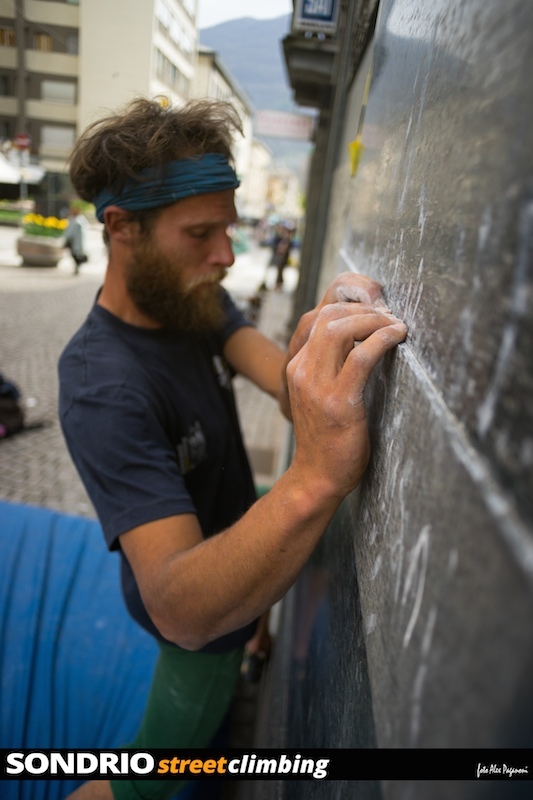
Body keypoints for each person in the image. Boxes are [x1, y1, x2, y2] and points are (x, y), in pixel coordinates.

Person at [58, 97, 407, 800]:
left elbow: (286, 383)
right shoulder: (102, 386)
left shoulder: (192, 297)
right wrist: (312, 478)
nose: (225, 255)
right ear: (121, 229)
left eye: (228, 228)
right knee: (144, 785)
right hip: (202, 635)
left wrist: (328, 321)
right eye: (199, 234)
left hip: (239, 587)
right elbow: (181, 608)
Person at [64, 202, 89, 274]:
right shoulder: (72, 219)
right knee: (73, 255)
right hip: (72, 241)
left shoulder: (79, 221)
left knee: (76, 255)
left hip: (77, 241)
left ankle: (78, 266)